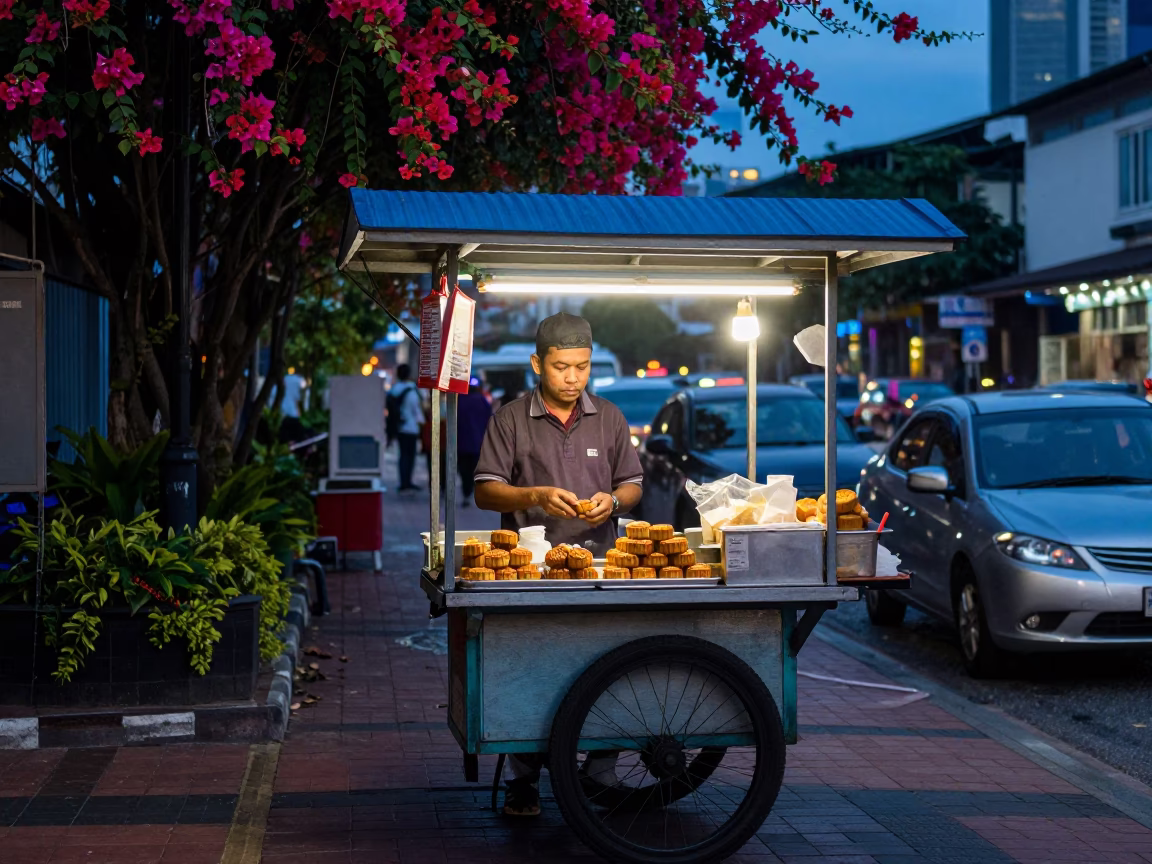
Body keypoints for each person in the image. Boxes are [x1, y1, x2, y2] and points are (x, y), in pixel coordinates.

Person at [474, 312, 643, 817]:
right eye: (561, 367)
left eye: (582, 367)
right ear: (537, 364)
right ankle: (524, 780)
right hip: (530, 572)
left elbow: (632, 483)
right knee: (530, 670)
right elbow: (485, 489)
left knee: (609, 665)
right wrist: (536, 496)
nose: (573, 378)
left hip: (600, 570)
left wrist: (612, 503)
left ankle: (600, 769)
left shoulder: (610, 417)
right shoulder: (509, 418)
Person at [390, 364, 424, 492]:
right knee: (410, 456)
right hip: (412, 427)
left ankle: (403, 481)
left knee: (402, 455)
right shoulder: (412, 390)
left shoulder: (394, 389)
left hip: (400, 426)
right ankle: (407, 481)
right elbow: (417, 409)